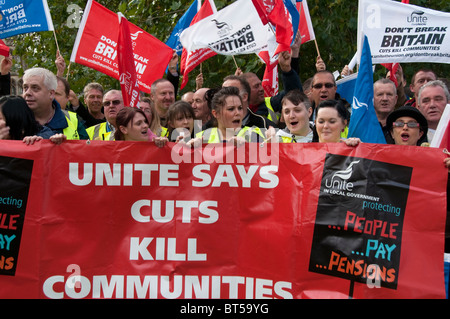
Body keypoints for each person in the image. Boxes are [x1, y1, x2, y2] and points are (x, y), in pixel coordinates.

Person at [22, 67, 88, 140]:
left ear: (51, 94)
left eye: (35, 88)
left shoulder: (72, 121)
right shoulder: (12, 118)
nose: (27, 93)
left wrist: (63, 147)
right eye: (25, 88)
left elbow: (86, 149)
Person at [241, 50, 302, 123]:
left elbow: (295, 95)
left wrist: (287, 70)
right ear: (245, 93)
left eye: (260, 84)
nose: (261, 88)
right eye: (256, 86)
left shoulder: (272, 103)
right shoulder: (236, 115)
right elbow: (229, 133)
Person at [192, 86, 264, 144]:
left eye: (240, 108)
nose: (237, 113)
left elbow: (267, 159)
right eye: (231, 109)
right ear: (216, 113)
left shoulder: (253, 135)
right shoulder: (201, 137)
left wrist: (248, 149)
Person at [373, 78, 397, 144]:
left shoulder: (403, 127)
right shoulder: (363, 126)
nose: (385, 99)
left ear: (396, 99)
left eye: (389, 94)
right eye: (380, 94)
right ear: (372, 98)